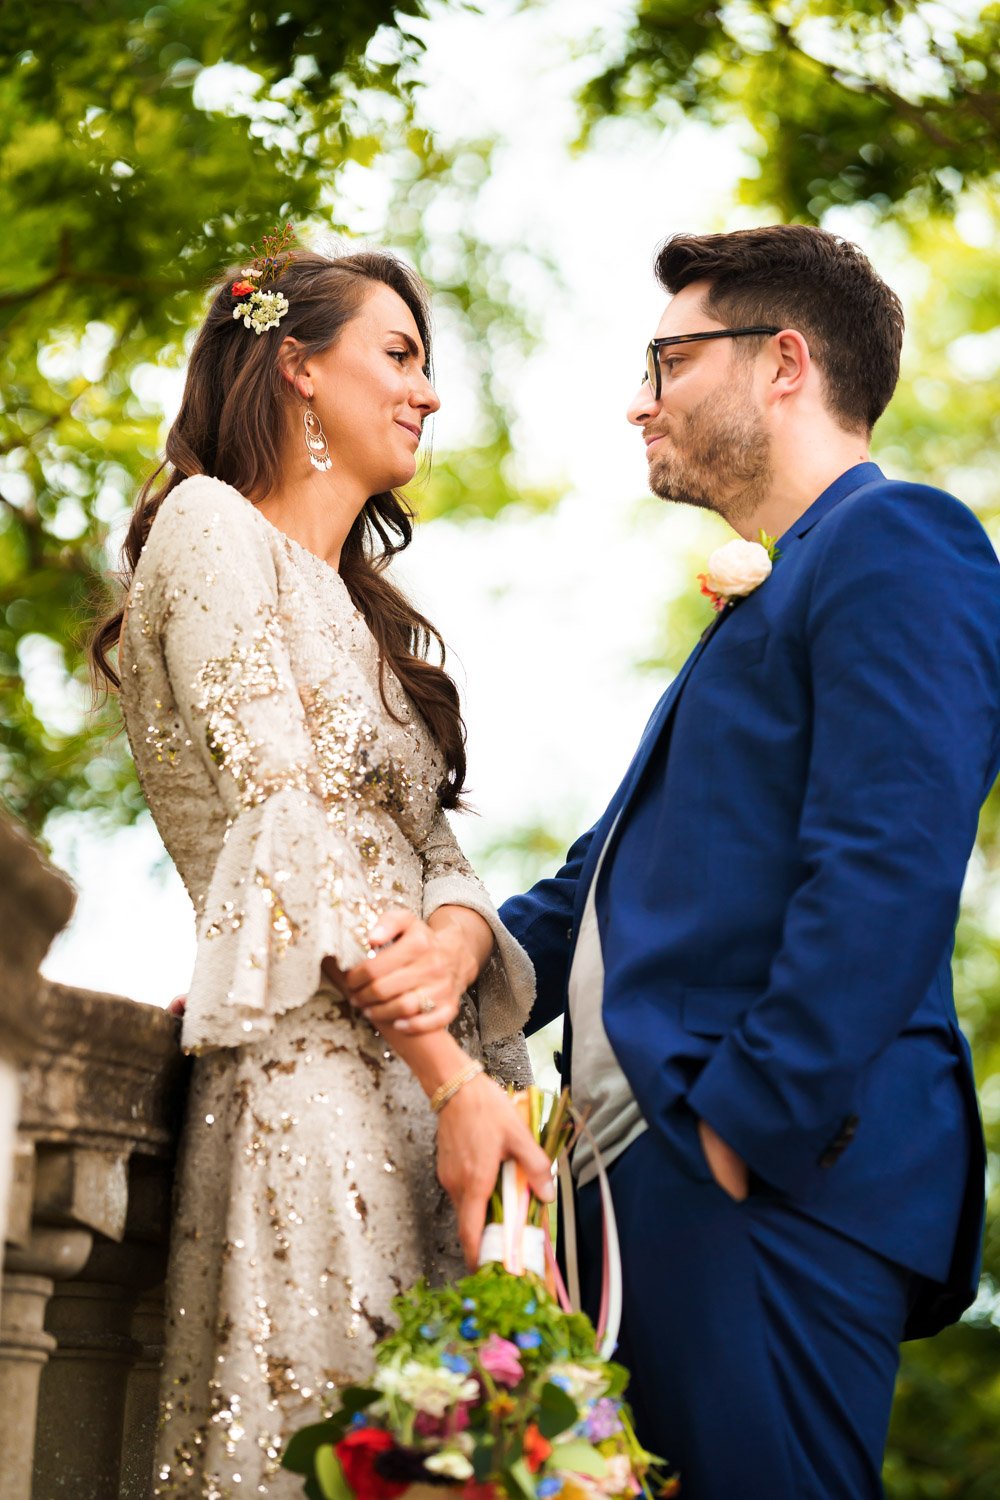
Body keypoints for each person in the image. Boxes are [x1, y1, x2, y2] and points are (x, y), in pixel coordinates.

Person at [500, 224, 1000, 1499]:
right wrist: (447, 948)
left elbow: (888, 864)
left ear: (783, 364)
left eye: (665, 360)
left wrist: (737, 1128)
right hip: (635, 1198)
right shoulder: (772, 595)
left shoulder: (900, 542)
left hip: (758, 1179)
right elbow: (606, 881)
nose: (638, 399)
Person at [91, 242, 553, 1497]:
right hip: (317, 1097)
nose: (428, 392)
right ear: (296, 367)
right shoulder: (203, 527)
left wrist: (460, 936)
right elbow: (284, 820)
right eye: (397, 356)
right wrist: (457, 1082)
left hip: (434, 1104)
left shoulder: (363, 614)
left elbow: (435, 852)